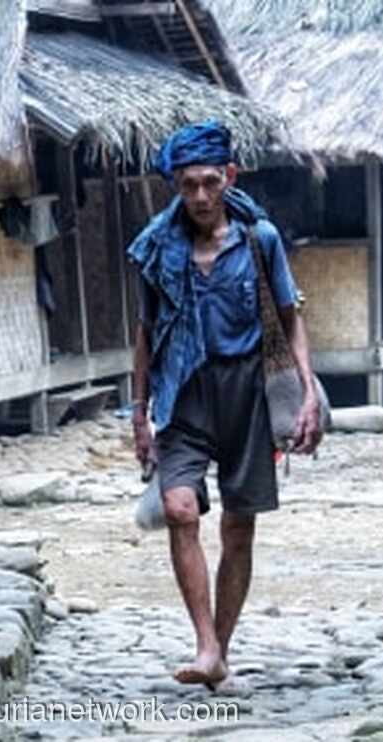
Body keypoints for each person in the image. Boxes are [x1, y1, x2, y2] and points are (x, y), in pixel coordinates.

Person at [127, 121, 324, 690]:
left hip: (248, 395)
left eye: (211, 182)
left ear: (229, 176)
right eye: (188, 185)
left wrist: (307, 391)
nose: (201, 197)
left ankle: (222, 650)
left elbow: (290, 319)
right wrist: (139, 412)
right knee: (180, 509)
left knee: (239, 529)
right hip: (184, 395)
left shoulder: (259, 240)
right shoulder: (157, 249)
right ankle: (206, 645)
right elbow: (145, 332)